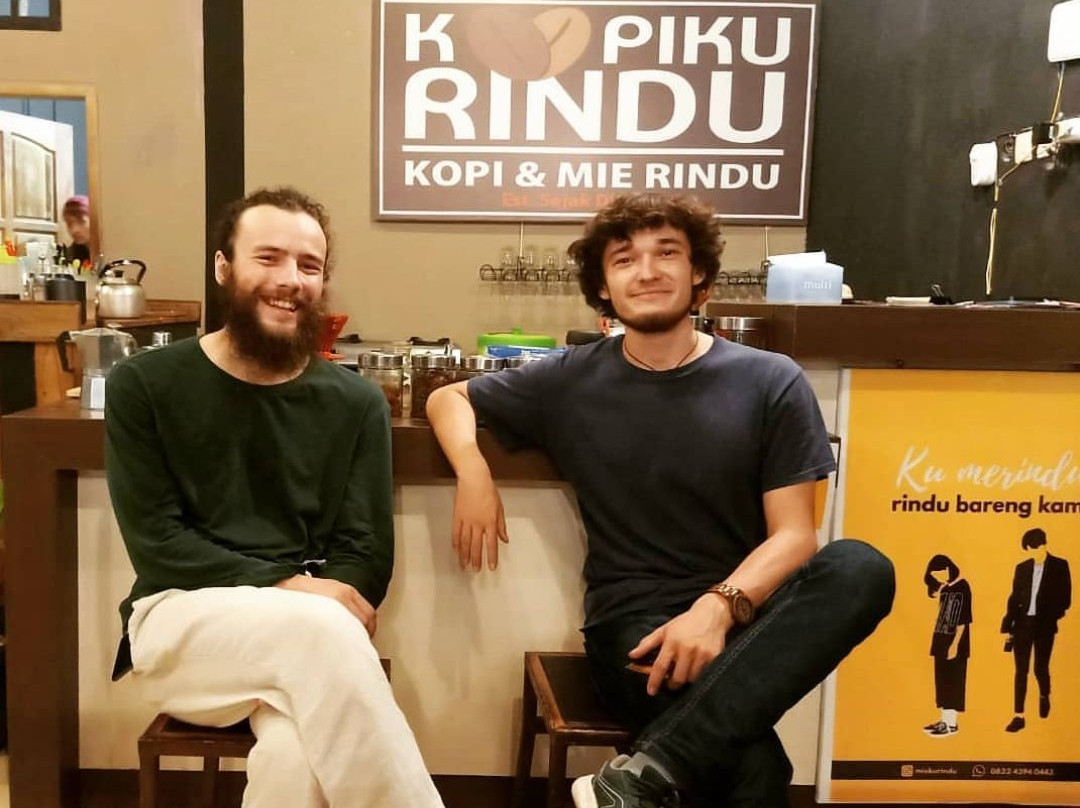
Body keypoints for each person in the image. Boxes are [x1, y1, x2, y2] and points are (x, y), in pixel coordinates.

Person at [426, 193, 895, 808]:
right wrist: (473, 470)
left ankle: (638, 779)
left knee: (861, 567)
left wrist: (717, 608)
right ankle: (643, 778)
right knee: (752, 770)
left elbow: (795, 536)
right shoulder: (570, 378)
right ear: (603, 285)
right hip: (634, 625)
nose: (646, 271)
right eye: (625, 259)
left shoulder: (770, 378)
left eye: (666, 253)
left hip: (749, 611)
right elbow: (448, 398)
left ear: (698, 272)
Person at [105, 187, 444, 808]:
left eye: (309, 265)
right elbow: (158, 545)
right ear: (223, 266)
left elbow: (365, 553)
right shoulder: (144, 384)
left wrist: (314, 599)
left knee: (297, 753)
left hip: (312, 637)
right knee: (319, 628)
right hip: (179, 622)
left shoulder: (356, 402)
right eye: (268, 258)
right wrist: (293, 587)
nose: (291, 280)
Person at [1001, 527, 1071, 732]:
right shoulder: (1022, 568)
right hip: (1022, 624)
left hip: (1045, 626)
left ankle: (1044, 695)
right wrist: (1008, 625)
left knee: (1040, 668)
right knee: (1020, 671)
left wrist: (1051, 616)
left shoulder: (1060, 566)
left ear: (1044, 545)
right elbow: (1014, 597)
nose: (1033, 554)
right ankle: (1019, 715)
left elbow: (1065, 599)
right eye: (1030, 551)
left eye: (1036, 549)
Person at [922, 554, 972, 738]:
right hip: (941, 640)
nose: (939, 578)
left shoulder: (963, 586)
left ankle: (951, 724)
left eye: (940, 574)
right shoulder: (945, 588)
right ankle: (944, 720)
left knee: (954, 683)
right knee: (942, 683)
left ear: (948, 569)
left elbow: (964, 621)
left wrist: (954, 645)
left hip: (956, 643)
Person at [60, 194, 92, 264]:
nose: (74, 229)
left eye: (81, 221)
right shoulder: (71, 254)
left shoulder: (109, 251)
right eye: (69, 223)